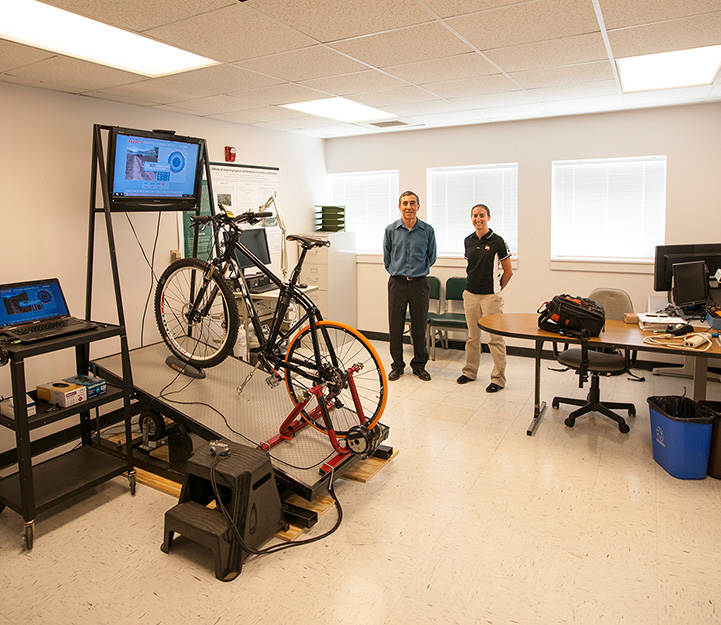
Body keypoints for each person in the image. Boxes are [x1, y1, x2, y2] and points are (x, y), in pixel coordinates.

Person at [457, 203, 513, 392]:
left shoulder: (497, 241)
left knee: (495, 338)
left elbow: (508, 272)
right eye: (475, 216)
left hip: (491, 297)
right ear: (471, 218)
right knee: (473, 336)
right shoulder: (468, 240)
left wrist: (497, 290)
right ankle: (469, 372)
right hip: (470, 295)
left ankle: (498, 379)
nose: (478, 219)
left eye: (482, 215)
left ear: (488, 217)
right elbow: (471, 267)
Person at [383, 191, 437, 381]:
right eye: (405, 203)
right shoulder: (391, 230)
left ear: (418, 206)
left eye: (412, 203)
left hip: (420, 283)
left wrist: (418, 270)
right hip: (397, 283)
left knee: (419, 326)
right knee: (395, 326)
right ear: (399, 207)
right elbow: (387, 257)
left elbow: (432, 256)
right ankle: (397, 366)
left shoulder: (427, 230)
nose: (408, 207)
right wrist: (396, 270)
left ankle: (419, 365)